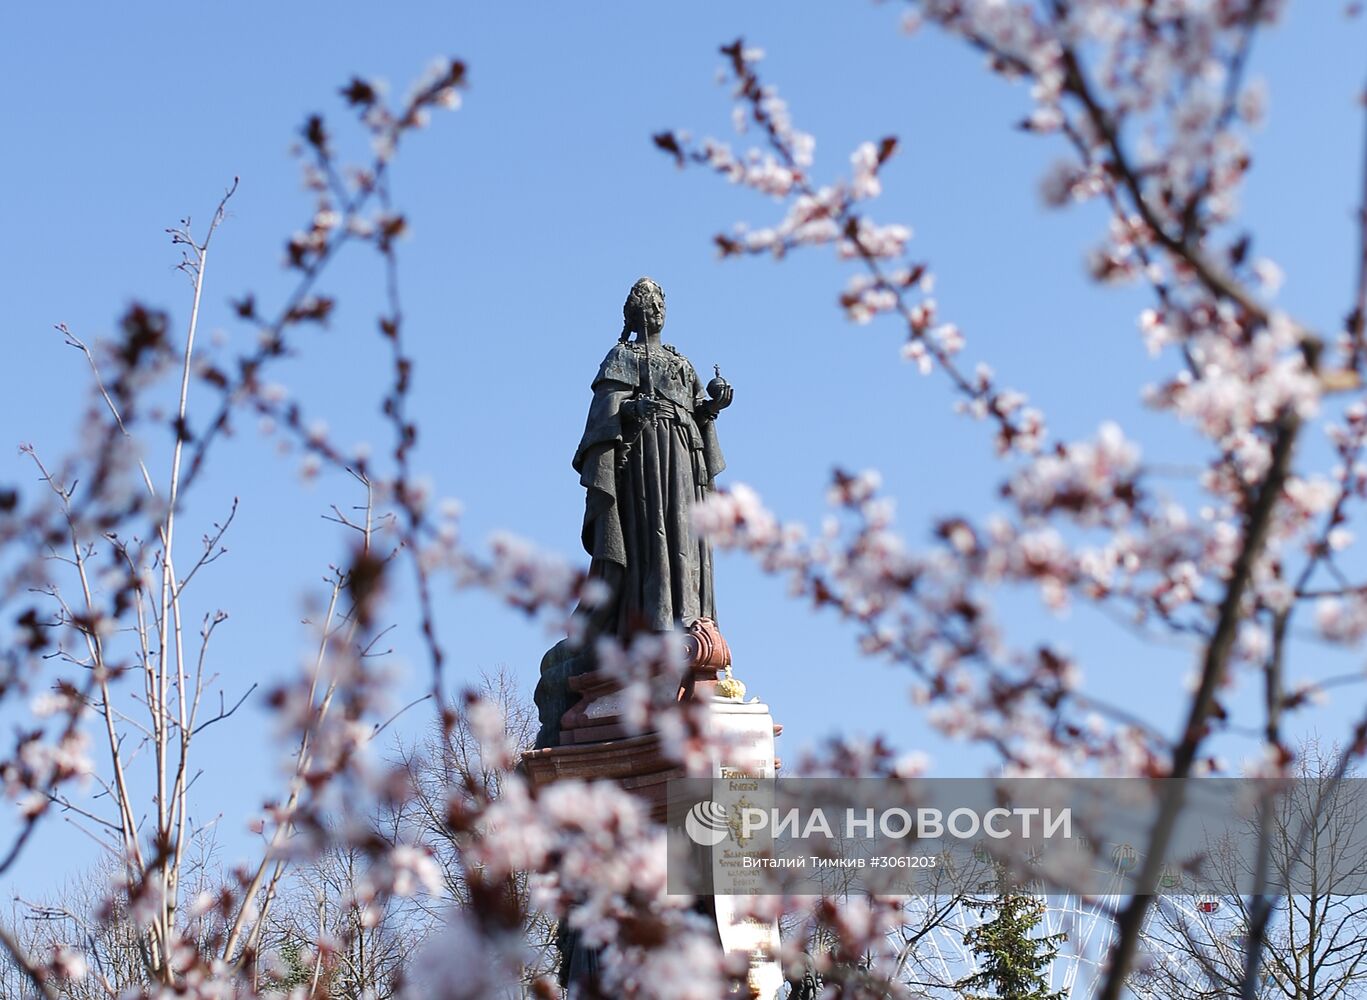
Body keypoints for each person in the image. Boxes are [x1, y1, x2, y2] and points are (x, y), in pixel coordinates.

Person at [573, 276, 733, 639]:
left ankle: (692, 616)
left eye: (659, 301)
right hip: (649, 454)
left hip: (685, 453)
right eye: (647, 301)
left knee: (687, 534)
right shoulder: (621, 357)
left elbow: (696, 411)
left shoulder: (681, 361)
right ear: (634, 312)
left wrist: (713, 406)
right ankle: (655, 620)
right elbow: (604, 414)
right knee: (656, 532)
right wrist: (631, 409)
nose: (655, 307)